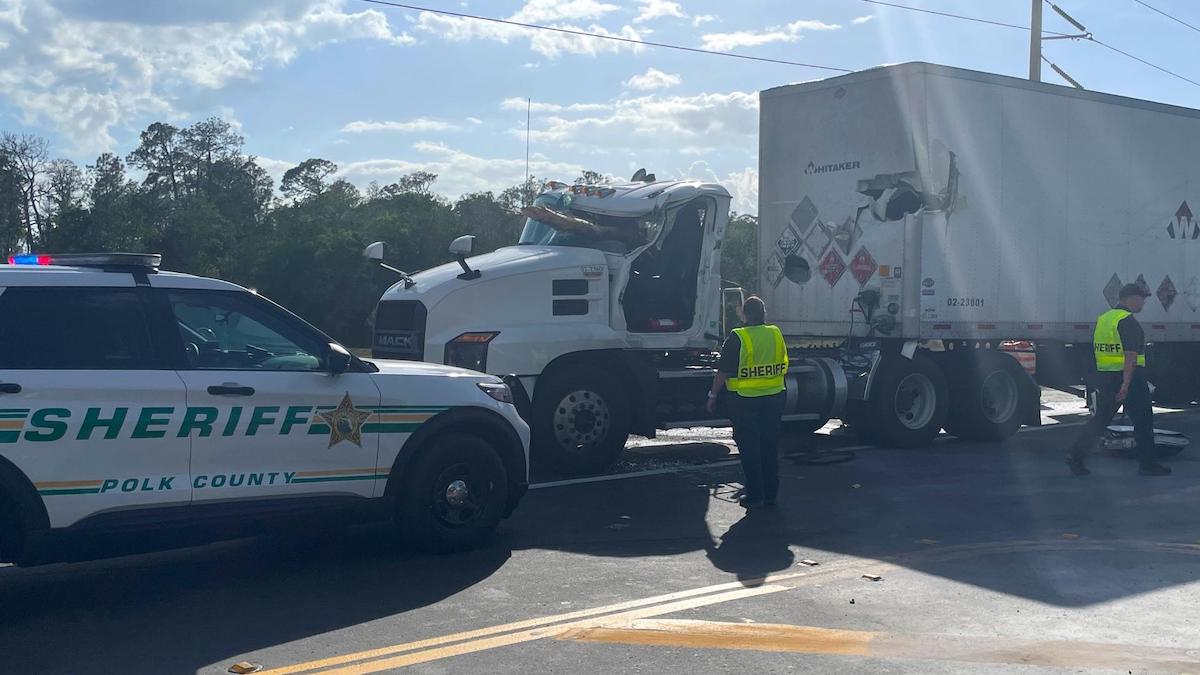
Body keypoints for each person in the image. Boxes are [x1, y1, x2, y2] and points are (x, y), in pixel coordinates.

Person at [1067, 283, 1172, 476]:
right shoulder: (1127, 321)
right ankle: (1148, 465)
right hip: (1129, 378)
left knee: (1101, 419)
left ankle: (1075, 456)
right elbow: (1130, 355)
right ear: (1132, 298)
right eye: (1142, 299)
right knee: (1143, 420)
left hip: (1107, 376)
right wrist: (1125, 384)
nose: (1143, 303)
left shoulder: (1104, 319)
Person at [706, 296, 789, 508]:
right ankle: (771, 494)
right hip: (775, 395)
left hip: (745, 401)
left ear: (744, 314)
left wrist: (713, 396)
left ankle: (755, 495)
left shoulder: (738, 337)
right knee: (769, 445)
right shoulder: (775, 333)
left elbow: (723, 372)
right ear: (764, 313)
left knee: (750, 448)